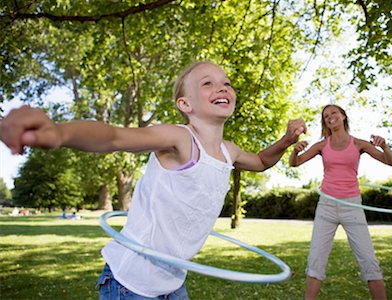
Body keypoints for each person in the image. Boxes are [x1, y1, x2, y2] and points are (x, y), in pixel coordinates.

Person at [0, 61, 307, 300]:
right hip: (131, 281)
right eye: (208, 83)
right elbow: (115, 137)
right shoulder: (180, 139)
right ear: (185, 105)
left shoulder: (230, 152)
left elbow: (263, 161)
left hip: (173, 279)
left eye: (226, 83)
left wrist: (286, 139)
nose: (222, 87)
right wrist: (60, 133)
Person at [289, 104, 392, 300]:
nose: (330, 117)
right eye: (326, 116)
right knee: (316, 260)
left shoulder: (359, 144)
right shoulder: (322, 145)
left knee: (368, 259)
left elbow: (391, 161)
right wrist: (295, 151)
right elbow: (295, 163)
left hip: (352, 206)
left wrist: (385, 146)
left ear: (343, 116)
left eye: (334, 113)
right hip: (326, 207)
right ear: (325, 122)